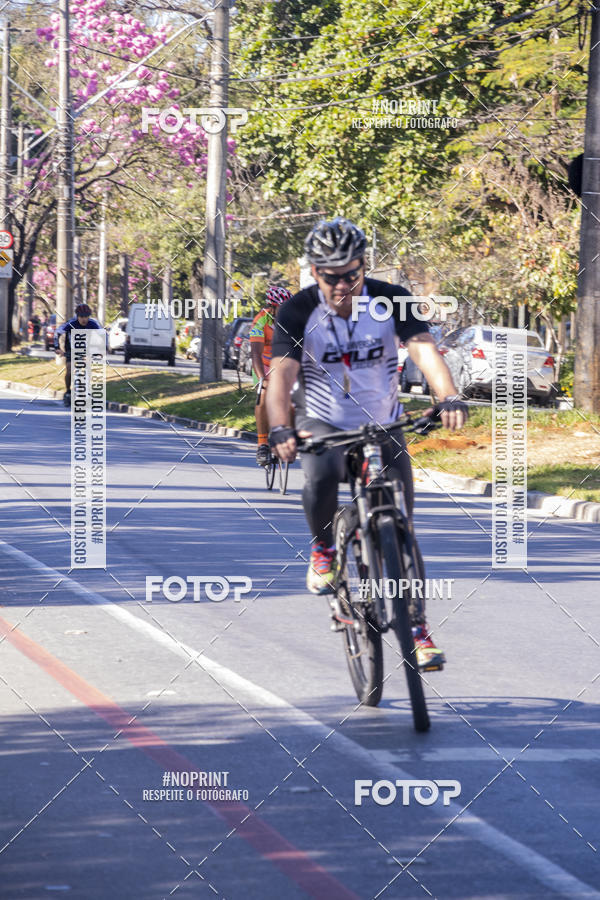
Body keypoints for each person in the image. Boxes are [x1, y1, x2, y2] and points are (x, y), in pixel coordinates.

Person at [266, 217, 469, 670]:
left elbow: (423, 349)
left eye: (351, 274)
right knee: (319, 477)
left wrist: (447, 395)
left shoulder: (391, 299)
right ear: (314, 272)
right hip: (323, 421)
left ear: (364, 267)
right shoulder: (298, 311)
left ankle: (417, 630)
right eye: (330, 276)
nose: (341, 285)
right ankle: (323, 550)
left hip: (384, 422)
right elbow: (281, 377)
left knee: (402, 530)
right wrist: (281, 428)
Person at [249, 285, 293, 466]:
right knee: (264, 395)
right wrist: (262, 379)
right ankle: (262, 445)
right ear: (273, 307)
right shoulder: (260, 321)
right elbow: (255, 355)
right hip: (265, 365)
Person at [55, 303, 103, 404]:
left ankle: (87, 389)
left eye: (86, 317)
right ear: (77, 316)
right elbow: (57, 332)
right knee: (69, 371)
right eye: (81, 317)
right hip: (71, 351)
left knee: (88, 367)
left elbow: (102, 336)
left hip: (86, 351)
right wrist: (57, 348)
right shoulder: (71, 323)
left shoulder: (93, 324)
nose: (84, 319)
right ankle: (68, 391)